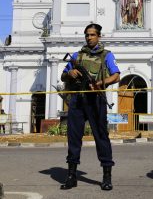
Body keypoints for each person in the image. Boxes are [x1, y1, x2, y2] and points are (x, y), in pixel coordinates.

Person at [60, 23, 120, 191]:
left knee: (101, 137)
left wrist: (100, 83)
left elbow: (116, 76)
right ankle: (71, 175)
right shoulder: (76, 56)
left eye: (92, 35)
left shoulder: (106, 55)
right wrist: (69, 73)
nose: (89, 37)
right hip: (77, 100)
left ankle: (106, 176)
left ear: (99, 36)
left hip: (96, 100)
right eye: (87, 35)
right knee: (73, 137)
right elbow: (64, 76)